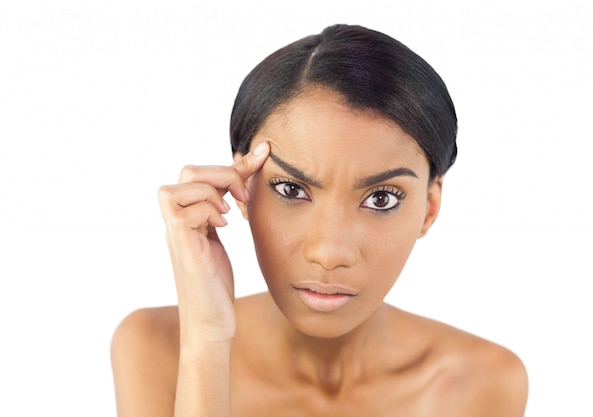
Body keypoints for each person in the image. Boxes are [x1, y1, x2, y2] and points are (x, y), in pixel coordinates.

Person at [111, 24, 528, 416]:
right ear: (242, 188)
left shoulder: (482, 382)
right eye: (291, 190)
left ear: (429, 208)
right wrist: (206, 341)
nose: (330, 252)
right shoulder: (156, 348)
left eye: (381, 198)